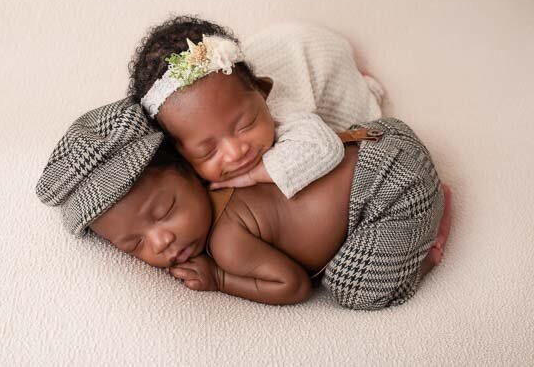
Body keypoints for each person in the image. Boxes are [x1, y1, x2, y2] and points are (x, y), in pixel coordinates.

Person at [36, 99, 451, 309]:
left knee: (353, 288)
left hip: (393, 190)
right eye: (133, 245)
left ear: (188, 169)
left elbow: (294, 286)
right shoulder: (228, 164)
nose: (160, 241)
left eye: (163, 212)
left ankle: (431, 236)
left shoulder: (227, 244)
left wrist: (220, 280)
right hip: (373, 137)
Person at [129, 16, 383, 198]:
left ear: (262, 91)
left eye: (245, 125)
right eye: (207, 151)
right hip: (279, 46)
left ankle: (365, 84)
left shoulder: (276, 106)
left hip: (319, 57)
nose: (235, 152)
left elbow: (325, 147)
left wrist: (254, 175)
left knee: (361, 143)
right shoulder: (202, 122)